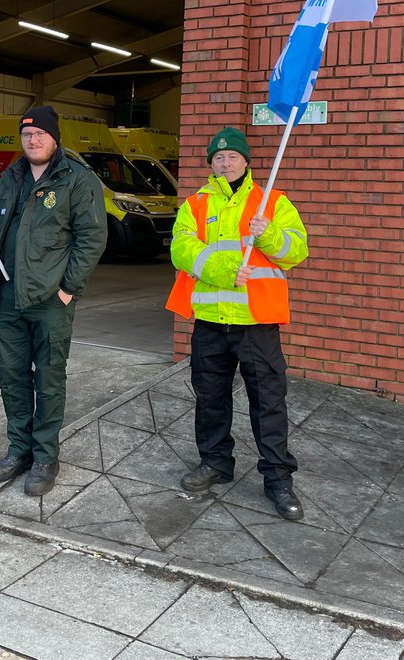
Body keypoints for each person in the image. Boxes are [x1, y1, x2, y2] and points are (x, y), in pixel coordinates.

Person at [169, 126, 309, 519]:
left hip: (256, 322)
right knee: (210, 398)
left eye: (232, 156)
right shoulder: (196, 204)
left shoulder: (273, 201)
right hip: (211, 322)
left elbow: (296, 251)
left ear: (246, 161)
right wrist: (228, 269)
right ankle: (215, 462)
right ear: (211, 163)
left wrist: (270, 235)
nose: (225, 162)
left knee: (268, 402)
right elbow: (182, 249)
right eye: (218, 157)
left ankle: (278, 478)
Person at [0, 106, 107, 496]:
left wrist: (69, 289)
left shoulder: (77, 180)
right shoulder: (11, 175)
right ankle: (19, 451)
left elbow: (92, 239)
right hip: (9, 296)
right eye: (26, 135)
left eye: (40, 135)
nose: (32, 141)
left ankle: (45, 457)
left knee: (48, 380)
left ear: (54, 138)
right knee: (12, 377)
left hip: (51, 300)